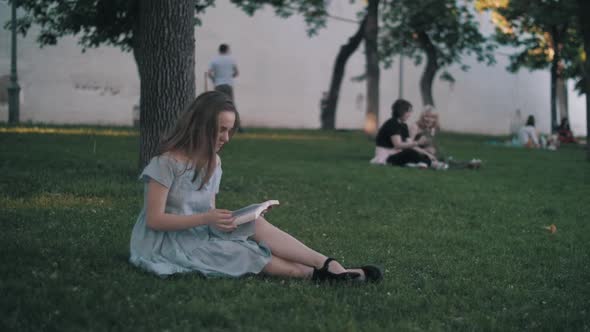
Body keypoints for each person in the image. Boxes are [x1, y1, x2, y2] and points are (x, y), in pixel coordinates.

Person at [130, 91, 382, 283]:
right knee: (248, 253)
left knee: (256, 225)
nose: (226, 138)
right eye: (220, 130)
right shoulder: (165, 163)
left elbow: (209, 210)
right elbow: (154, 220)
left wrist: (231, 219)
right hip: (167, 243)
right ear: (200, 126)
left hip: (199, 230)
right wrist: (207, 218)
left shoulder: (213, 162)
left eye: (230, 131)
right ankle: (319, 276)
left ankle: (329, 264)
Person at [370, 99, 447, 169]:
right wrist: (417, 143)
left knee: (413, 152)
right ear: (401, 111)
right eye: (409, 111)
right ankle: (433, 164)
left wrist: (427, 154)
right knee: (410, 153)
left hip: (396, 153)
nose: (410, 114)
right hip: (387, 156)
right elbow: (398, 145)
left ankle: (421, 163)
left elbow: (410, 144)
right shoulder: (392, 123)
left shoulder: (403, 125)